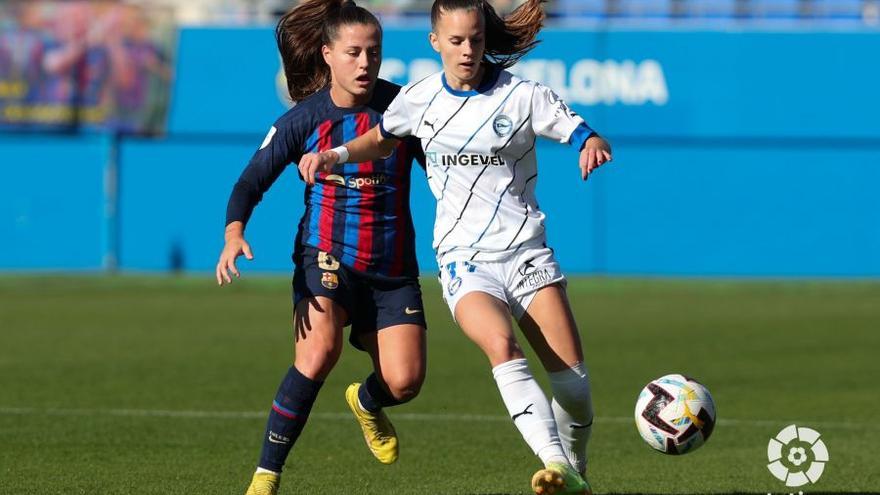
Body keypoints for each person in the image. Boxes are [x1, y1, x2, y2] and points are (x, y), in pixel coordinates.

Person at [298, 0, 612, 493]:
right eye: (457, 41)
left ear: (486, 39)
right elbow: (381, 139)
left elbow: (577, 129)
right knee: (501, 346)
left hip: (526, 254)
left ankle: (577, 469)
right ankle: (556, 465)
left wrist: (589, 143)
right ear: (435, 42)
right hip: (464, 261)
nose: (467, 51)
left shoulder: (523, 96)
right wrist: (335, 154)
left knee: (574, 386)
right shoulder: (420, 98)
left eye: (476, 40)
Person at [215, 2, 428, 494]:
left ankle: (367, 402)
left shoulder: (402, 111)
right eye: (353, 52)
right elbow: (250, 181)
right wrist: (234, 233)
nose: (364, 63)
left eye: (373, 52)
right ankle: (266, 476)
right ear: (328, 55)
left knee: (404, 382)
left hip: (392, 268)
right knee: (318, 353)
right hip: (326, 254)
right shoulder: (304, 119)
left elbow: (447, 166)